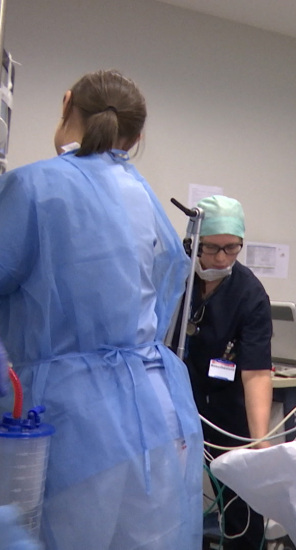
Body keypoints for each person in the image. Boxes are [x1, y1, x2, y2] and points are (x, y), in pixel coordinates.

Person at [0, 70, 202, 548]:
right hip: (156, 416)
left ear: (66, 102)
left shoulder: (32, 187)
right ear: (135, 136)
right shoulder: (143, 195)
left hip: (70, 421)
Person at [171, 195, 273, 549]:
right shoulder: (174, 277)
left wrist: (259, 441)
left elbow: (256, 372)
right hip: (173, 411)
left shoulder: (250, 294)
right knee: (173, 512)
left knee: (240, 513)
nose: (220, 258)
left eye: (232, 248)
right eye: (211, 248)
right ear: (193, 243)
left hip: (227, 417)